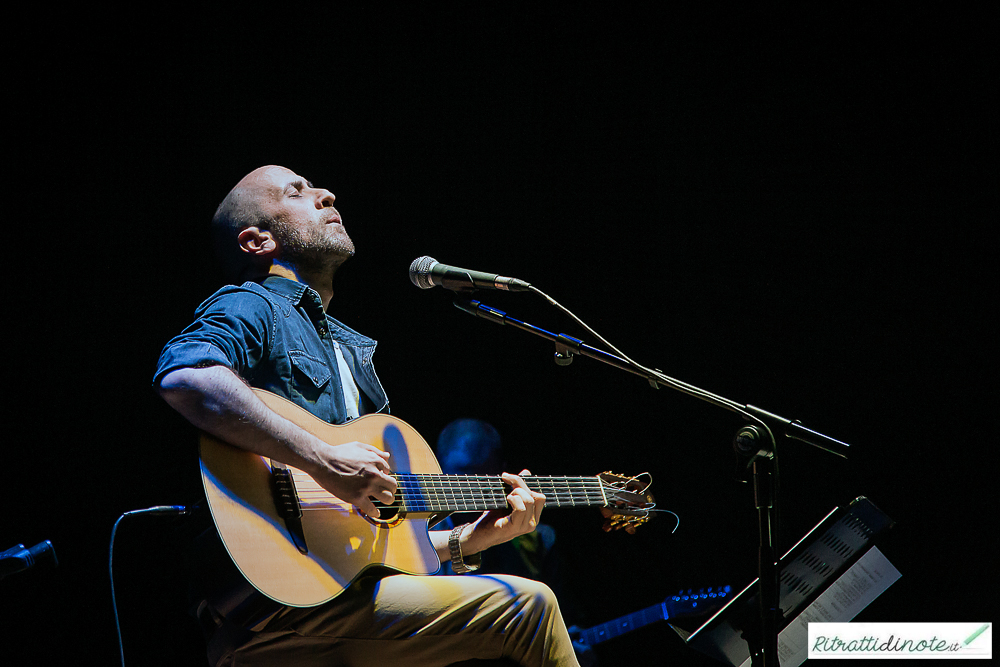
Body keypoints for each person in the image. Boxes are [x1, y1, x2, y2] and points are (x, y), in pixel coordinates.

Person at [154, 165, 581, 667]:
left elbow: (371, 545)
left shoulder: (348, 352)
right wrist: (322, 459)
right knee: (526, 608)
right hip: (267, 610)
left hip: (333, 597)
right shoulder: (255, 304)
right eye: (297, 191)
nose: (326, 193)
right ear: (256, 241)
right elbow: (186, 376)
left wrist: (470, 540)